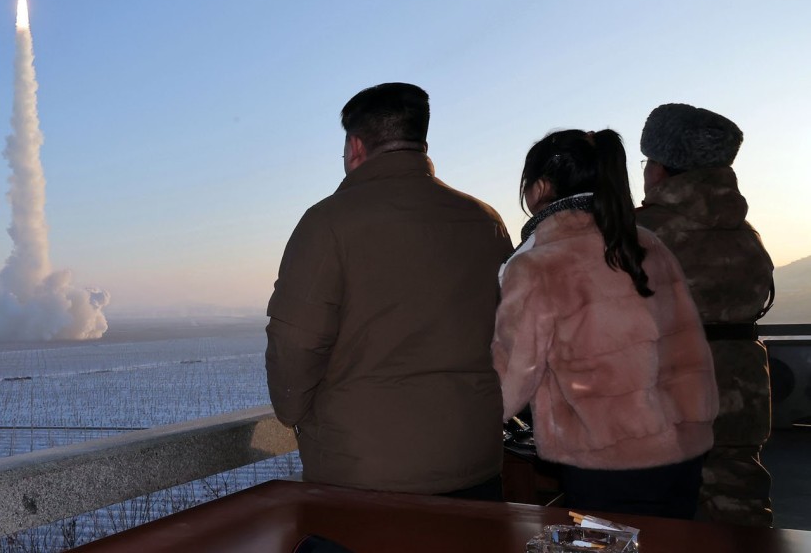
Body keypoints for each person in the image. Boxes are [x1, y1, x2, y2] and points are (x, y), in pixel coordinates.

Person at [265, 82, 513, 496]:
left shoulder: (327, 223)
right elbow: (508, 334)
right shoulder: (485, 222)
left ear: (356, 146)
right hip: (475, 461)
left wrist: (296, 413)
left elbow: (295, 344)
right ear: (421, 141)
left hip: (364, 475)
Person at [491, 128, 718, 519]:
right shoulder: (647, 242)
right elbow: (690, 347)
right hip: (683, 449)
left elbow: (510, 383)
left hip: (606, 459)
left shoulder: (536, 265)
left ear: (540, 187)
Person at [636, 103, 774, 527]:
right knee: (739, 507)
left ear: (659, 169)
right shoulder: (745, 232)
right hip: (743, 385)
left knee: (658, 515)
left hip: (670, 387)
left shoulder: (638, 233)